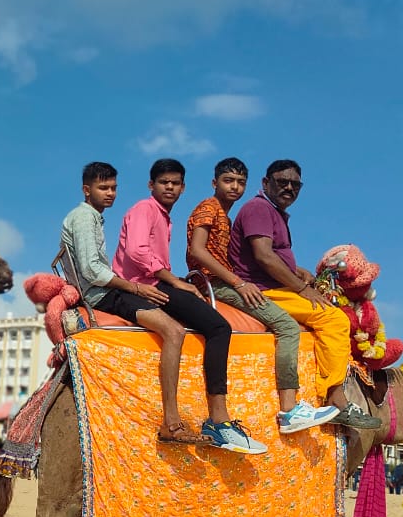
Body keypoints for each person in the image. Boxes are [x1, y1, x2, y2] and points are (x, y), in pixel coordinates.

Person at [112, 159, 266, 454]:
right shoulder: (144, 209)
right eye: (163, 182)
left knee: (192, 316)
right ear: (151, 186)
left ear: (183, 187)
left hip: (156, 281)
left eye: (174, 183)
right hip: (143, 285)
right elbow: (136, 252)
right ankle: (218, 420)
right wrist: (174, 281)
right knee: (219, 326)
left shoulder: (165, 217)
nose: (169, 187)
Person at [186, 157, 340, 435]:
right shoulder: (212, 208)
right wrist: (238, 282)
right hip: (219, 283)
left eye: (239, 182)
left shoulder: (227, 213)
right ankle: (291, 407)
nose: (234, 187)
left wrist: (297, 271)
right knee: (288, 327)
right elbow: (200, 251)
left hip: (229, 281)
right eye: (228, 181)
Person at [226, 160, 380, 431]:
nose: (288, 188)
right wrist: (302, 289)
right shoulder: (259, 208)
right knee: (335, 319)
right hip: (266, 290)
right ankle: (336, 398)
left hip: (277, 285)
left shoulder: (272, 212)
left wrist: (297, 271)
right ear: (265, 183)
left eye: (295, 184)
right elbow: (263, 256)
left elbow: (271, 256)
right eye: (282, 182)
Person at [62, 162, 205, 447]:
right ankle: (171, 421)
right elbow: (93, 271)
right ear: (86, 190)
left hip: (105, 290)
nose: (110, 193)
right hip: (102, 294)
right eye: (103, 188)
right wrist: (136, 287)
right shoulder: (83, 218)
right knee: (174, 331)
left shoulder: (92, 218)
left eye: (113, 188)